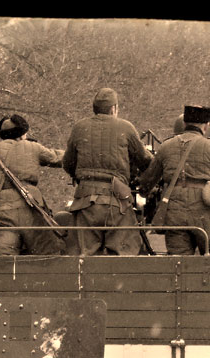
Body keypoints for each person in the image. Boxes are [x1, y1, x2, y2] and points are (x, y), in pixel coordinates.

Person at [138, 105, 210, 255]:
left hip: (175, 213)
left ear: (184, 124)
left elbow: (147, 182)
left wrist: (144, 192)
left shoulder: (166, 147)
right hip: (206, 213)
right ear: (206, 126)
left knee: (178, 263)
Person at [62, 87, 153, 255]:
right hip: (117, 200)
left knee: (83, 257)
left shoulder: (79, 127)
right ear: (114, 109)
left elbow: (68, 163)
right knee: (122, 256)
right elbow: (145, 161)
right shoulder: (126, 127)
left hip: (85, 200)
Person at [0, 114, 65, 255]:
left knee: (2, 258)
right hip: (31, 208)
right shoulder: (33, 147)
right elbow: (57, 158)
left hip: (2, 210)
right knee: (47, 254)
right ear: (21, 134)